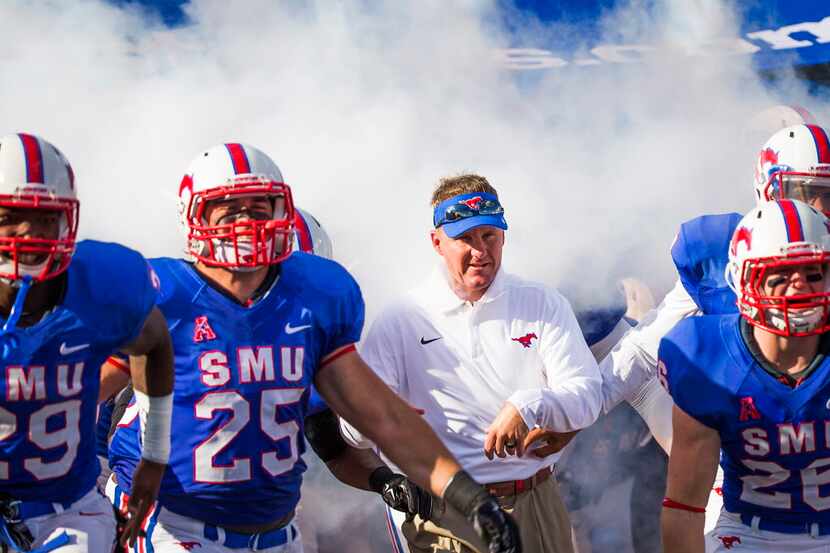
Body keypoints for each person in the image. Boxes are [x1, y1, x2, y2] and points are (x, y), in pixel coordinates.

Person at [104, 144, 520, 553]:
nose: (247, 227)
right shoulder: (162, 298)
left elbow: (377, 421)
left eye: (260, 210)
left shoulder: (315, 304)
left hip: (273, 531)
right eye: (231, 211)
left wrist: (467, 497)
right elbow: (73, 396)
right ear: (195, 218)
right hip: (170, 524)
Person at [529, 121, 830, 533]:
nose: (818, 209)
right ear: (767, 187)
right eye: (803, 192)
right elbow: (640, 351)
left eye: (827, 194)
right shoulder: (727, 250)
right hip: (742, 448)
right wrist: (578, 413)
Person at [342, 173, 602, 553]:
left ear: (503, 237)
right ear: (437, 242)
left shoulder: (542, 303)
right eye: (465, 238)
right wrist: (381, 417)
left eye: (489, 235)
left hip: (535, 498)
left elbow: (588, 396)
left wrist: (528, 405)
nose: (480, 251)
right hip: (447, 514)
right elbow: (355, 432)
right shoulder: (401, 319)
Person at [0, 133, 175, 552]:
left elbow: (154, 343)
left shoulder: (100, 284)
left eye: (45, 219)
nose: (29, 233)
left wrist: (153, 454)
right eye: (11, 216)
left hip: (67, 510)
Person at [661, 199, 830, 552]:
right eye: (780, 276)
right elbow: (685, 509)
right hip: (750, 534)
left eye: (813, 273)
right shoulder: (706, 358)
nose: (799, 288)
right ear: (744, 280)